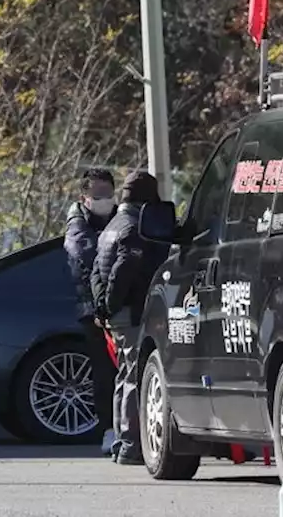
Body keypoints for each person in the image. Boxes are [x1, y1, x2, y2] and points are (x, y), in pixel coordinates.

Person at [91, 170, 170, 465]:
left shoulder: (113, 224)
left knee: (124, 376)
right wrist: (111, 304)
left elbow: (97, 269)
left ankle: (122, 442)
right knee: (136, 378)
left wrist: (103, 307)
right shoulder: (135, 227)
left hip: (117, 314)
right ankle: (131, 445)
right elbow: (123, 271)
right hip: (131, 312)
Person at [64, 168, 118, 455]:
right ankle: (108, 429)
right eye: (97, 195)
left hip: (121, 303)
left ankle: (126, 428)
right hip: (93, 308)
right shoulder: (77, 227)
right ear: (84, 197)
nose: (104, 200)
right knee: (104, 371)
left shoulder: (121, 218)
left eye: (108, 194)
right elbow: (89, 258)